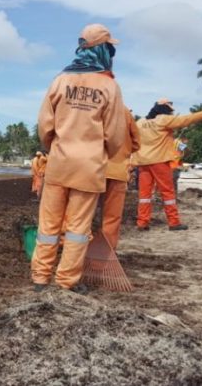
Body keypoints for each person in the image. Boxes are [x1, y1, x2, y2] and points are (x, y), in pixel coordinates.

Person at [32, 23, 127, 293]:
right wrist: (98, 152)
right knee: (77, 229)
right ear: (103, 50)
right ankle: (66, 282)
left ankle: (40, 279)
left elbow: (44, 126)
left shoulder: (60, 80)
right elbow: (116, 135)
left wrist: (56, 146)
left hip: (59, 164)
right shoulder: (109, 86)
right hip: (89, 167)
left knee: (48, 226)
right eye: (110, 48)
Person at [132, 98, 202, 231]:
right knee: (167, 193)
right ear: (163, 109)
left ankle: (142, 222)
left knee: (144, 195)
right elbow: (185, 120)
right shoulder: (163, 119)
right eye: (169, 111)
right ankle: (174, 222)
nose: (170, 114)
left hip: (143, 163)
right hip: (159, 161)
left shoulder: (140, 122)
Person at [99, 108, 140, 247]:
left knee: (82, 213)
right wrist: (123, 151)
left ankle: (73, 250)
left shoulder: (92, 106)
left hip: (92, 169)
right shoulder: (125, 112)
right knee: (112, 215)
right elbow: (136, 142)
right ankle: (106, 250)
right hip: (117, 170)